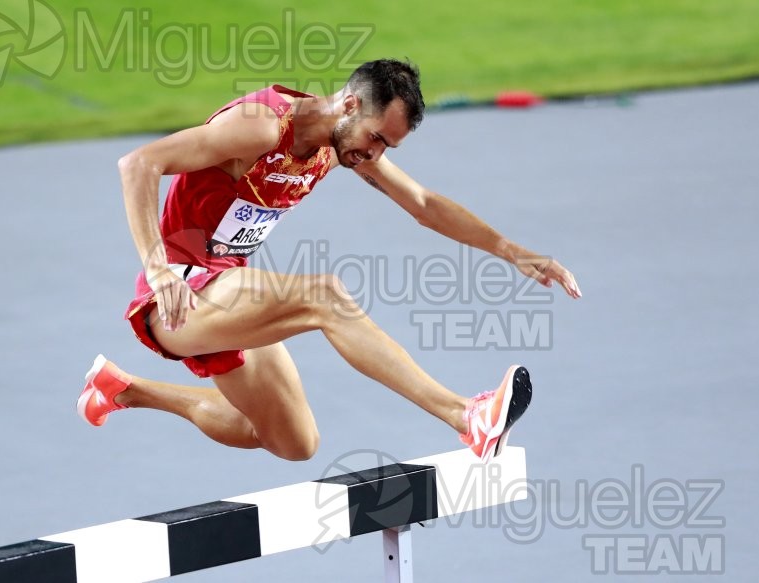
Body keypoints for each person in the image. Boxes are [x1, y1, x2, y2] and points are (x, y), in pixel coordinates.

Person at [77, 59, 581, 463]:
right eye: (377, 138)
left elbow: (423, 205)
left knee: (292, 442)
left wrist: (512, 250)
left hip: (226, 290)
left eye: (389, 146)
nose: (376, 155)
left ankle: (126, 391)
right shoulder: (261, 127)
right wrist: (158, 265)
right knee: (325, 297)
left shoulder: (337, 148)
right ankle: (465, 417)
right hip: (178, 291)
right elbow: (139, 163)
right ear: (350, 104)